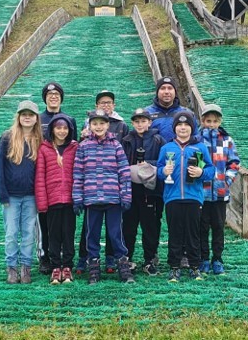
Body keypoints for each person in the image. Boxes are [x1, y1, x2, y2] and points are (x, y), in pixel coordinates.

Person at [73, 109, 134, 284]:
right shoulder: (83, 147)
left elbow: (124, 173)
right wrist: (77, 198)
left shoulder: (116, 145)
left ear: (108, 125)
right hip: (92, 199)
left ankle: (123, 265)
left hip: (113, 199)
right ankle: (93, 267)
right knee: (92, 235)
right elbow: (78, 174)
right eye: (95, 123)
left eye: (102, 123)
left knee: (116, 234)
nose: (98, 127)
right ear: (89, 126)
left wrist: (126, 196)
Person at [157, 111, 215, 282]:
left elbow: (211, 171)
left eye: (186, 125)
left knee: (193, 233)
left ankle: (194, 266)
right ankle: (174, 267)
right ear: (175, 128)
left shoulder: (200, 148)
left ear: (192, 128)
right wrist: (163, 171)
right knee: (175, 232)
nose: (183, 128)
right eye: (179, 125)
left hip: (193, 197)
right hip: (172, 197)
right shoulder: (167, 148)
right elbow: (159, 170)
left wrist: (201, 172)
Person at [0, 100, 43, 284]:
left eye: (30, 115)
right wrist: (3, 194)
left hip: (31, 196)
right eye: (24, 114)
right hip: (11, 196)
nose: (27, 118)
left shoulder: (40, 139)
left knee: (29, 233)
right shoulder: (7, 137)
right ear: (18, 117)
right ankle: (12, 267)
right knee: (11, 233)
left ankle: (26, 267)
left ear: (36, 118)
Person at [37, 81, 78, 275]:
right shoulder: (38, 119)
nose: (53, 97)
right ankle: (47, 258)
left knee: (67, 229)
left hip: (67, 190)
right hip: (47, 181)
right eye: (50, 94)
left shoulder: (70, 119)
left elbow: (73, 150)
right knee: (47, 227)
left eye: (57, 95)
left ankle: (67, 261)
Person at [121, 108, 166, 275]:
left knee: (151, 227)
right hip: (131, 190)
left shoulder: (158, 140)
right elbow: (121, 161)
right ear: (132, 123)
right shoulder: (126, 140)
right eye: (137, 121)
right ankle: (128, 258)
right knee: (128, 226)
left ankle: (150, 259)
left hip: (151, 191)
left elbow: (163, 162)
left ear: (149, 122)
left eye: (143, 121)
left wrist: (146, 164)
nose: (140, 124)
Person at [198, 104, 240, 276]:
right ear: (202, 121)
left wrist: (226, 181)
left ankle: (217, 259)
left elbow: (234, 163)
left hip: (220, 193)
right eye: (208, 121)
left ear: (219, 121)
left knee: (218, 227)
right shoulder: (197, 140)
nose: (211, 124)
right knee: (201, 227)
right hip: (201, 193)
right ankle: (203, 259)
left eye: (215, 121)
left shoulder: (227, 140)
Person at [144, 76, 198, 142]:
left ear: (175, 92)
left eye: (170, 88)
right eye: (163, 88)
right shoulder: (147, 113)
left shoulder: (187, 113)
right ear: (157, 92)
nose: (166, 92)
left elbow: (196, 137)